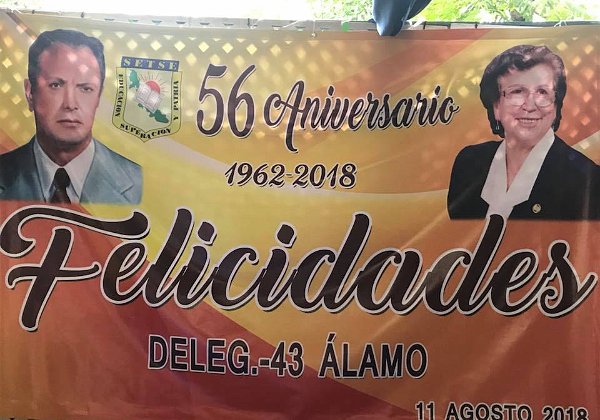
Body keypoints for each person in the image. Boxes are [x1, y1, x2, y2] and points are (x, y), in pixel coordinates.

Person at [447, 44, 599, 220]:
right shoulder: (468, 162)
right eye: (517, 91)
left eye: (542, 92)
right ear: (496, 106)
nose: (530, 105)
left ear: (556, 106)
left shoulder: (588, 180)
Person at [0, 29, 142, 204]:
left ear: (99, 96)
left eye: (85, 88)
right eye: (56, 85)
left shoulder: (136, 182)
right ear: (30, 92)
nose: (70, 104)